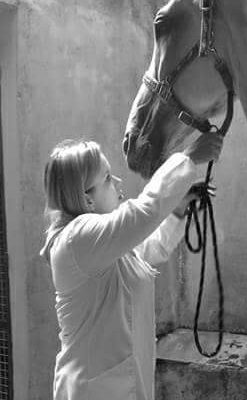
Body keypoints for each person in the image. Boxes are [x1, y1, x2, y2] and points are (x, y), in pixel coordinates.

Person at [40, 133, 223, 400]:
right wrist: (189, 158)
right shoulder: (76, 238)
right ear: (87, 198)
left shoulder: (101, 245)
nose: (117, 182)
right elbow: (143, 212)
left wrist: (179, 208)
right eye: (106, 178)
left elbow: (151, 249)